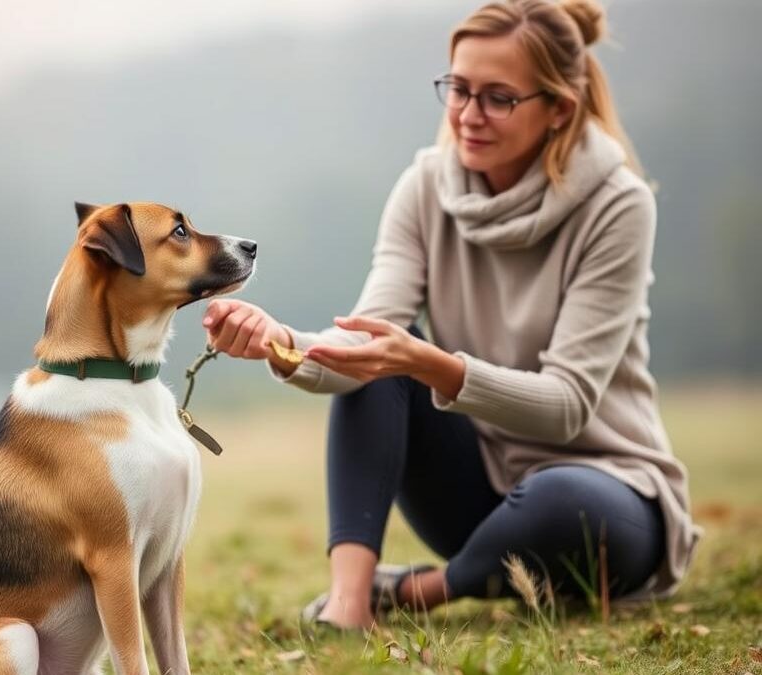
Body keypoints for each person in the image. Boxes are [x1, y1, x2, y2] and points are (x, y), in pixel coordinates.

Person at [202, 0, 700, 629]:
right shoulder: (425, 186)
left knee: (556, 495)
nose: (468, 114)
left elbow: (569, 403)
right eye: (459, 89)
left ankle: (419, 591)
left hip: (607, 499)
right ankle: (350, 605)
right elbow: (366, 339)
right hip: (475, 497)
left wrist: (437, 367)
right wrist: (281, 342)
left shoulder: (618, 204)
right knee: (382, 352)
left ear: (559, 110)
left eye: (498, 98)